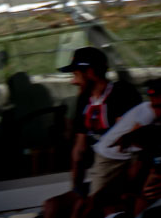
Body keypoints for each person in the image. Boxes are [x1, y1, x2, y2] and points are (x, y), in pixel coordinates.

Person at [48, 46, 141, 214]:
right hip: (99, 178)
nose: (73, 81)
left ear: (90, 72)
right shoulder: (84, 100)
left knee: (85, 210)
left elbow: (130, 149)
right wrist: (77, 190)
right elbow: (79, 150)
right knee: (52, 206)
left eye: (75, 74)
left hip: (122, 179)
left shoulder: (122, 93)